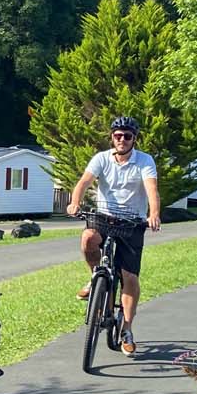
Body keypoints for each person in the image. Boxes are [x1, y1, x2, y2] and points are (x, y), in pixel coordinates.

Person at [65, 116, 160, 354]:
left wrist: (154, 214)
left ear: (134, 139)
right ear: (112, 137)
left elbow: (151, 188)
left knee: (130, 277)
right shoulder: (101, 158)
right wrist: (75, 202)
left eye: (127, 136)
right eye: (118, 135)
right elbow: (84, 181)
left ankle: (126, 328)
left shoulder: (144, 161)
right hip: (104, 217)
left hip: (132, 222)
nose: (122, 140)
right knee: (88, 238)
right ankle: (95, 277)